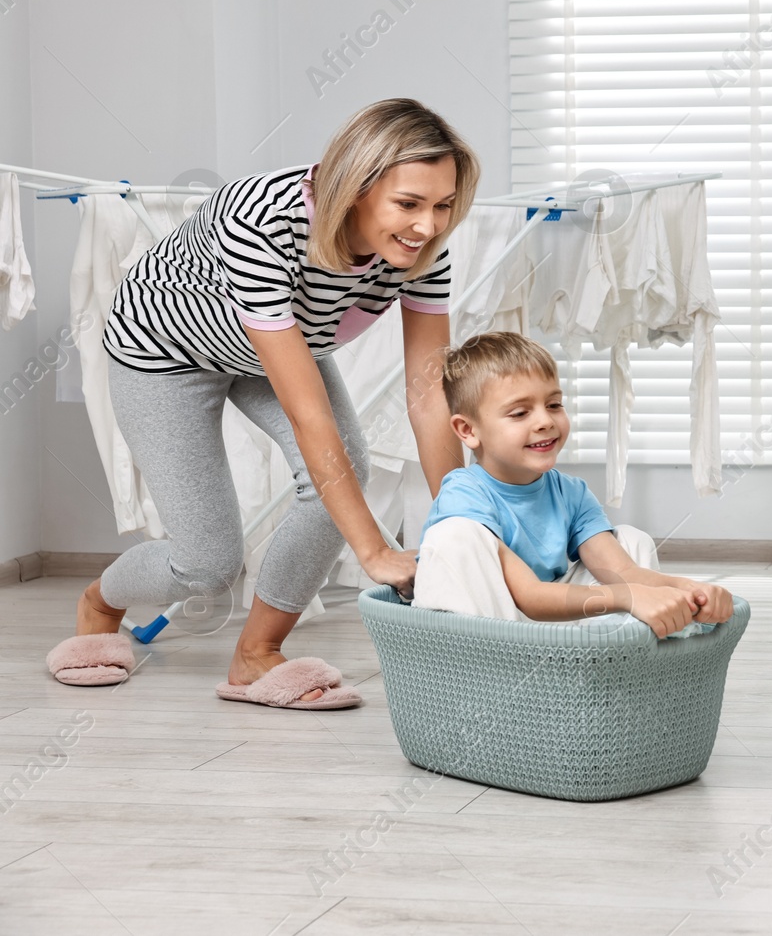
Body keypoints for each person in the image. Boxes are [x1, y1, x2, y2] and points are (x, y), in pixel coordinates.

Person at [44, 98, 479, 710]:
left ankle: (256, 657)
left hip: (272, 342)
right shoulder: (265, 220)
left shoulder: (425, 251)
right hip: (164, 349)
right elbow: (308, 417)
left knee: (343, 471)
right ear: (353, 186)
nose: (427, 225)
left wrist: (464, 522)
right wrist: (374, 551)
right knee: (207, 566)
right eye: (409, 204)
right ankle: (100, 601)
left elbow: (429, 393)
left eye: (442, 206)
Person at [411, 331, 733, 636]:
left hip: (539, 628)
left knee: (632, 541)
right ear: (468, 431)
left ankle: (612, 664)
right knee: (455, 536)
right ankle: (499, 682)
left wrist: (690, 590)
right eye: (520, 412)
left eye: (554, 404)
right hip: (483, 630)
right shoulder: (464, 492)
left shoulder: (571, 493)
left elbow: (627, 576)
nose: (545, 421)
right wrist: (628, 597)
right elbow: (529, 596)